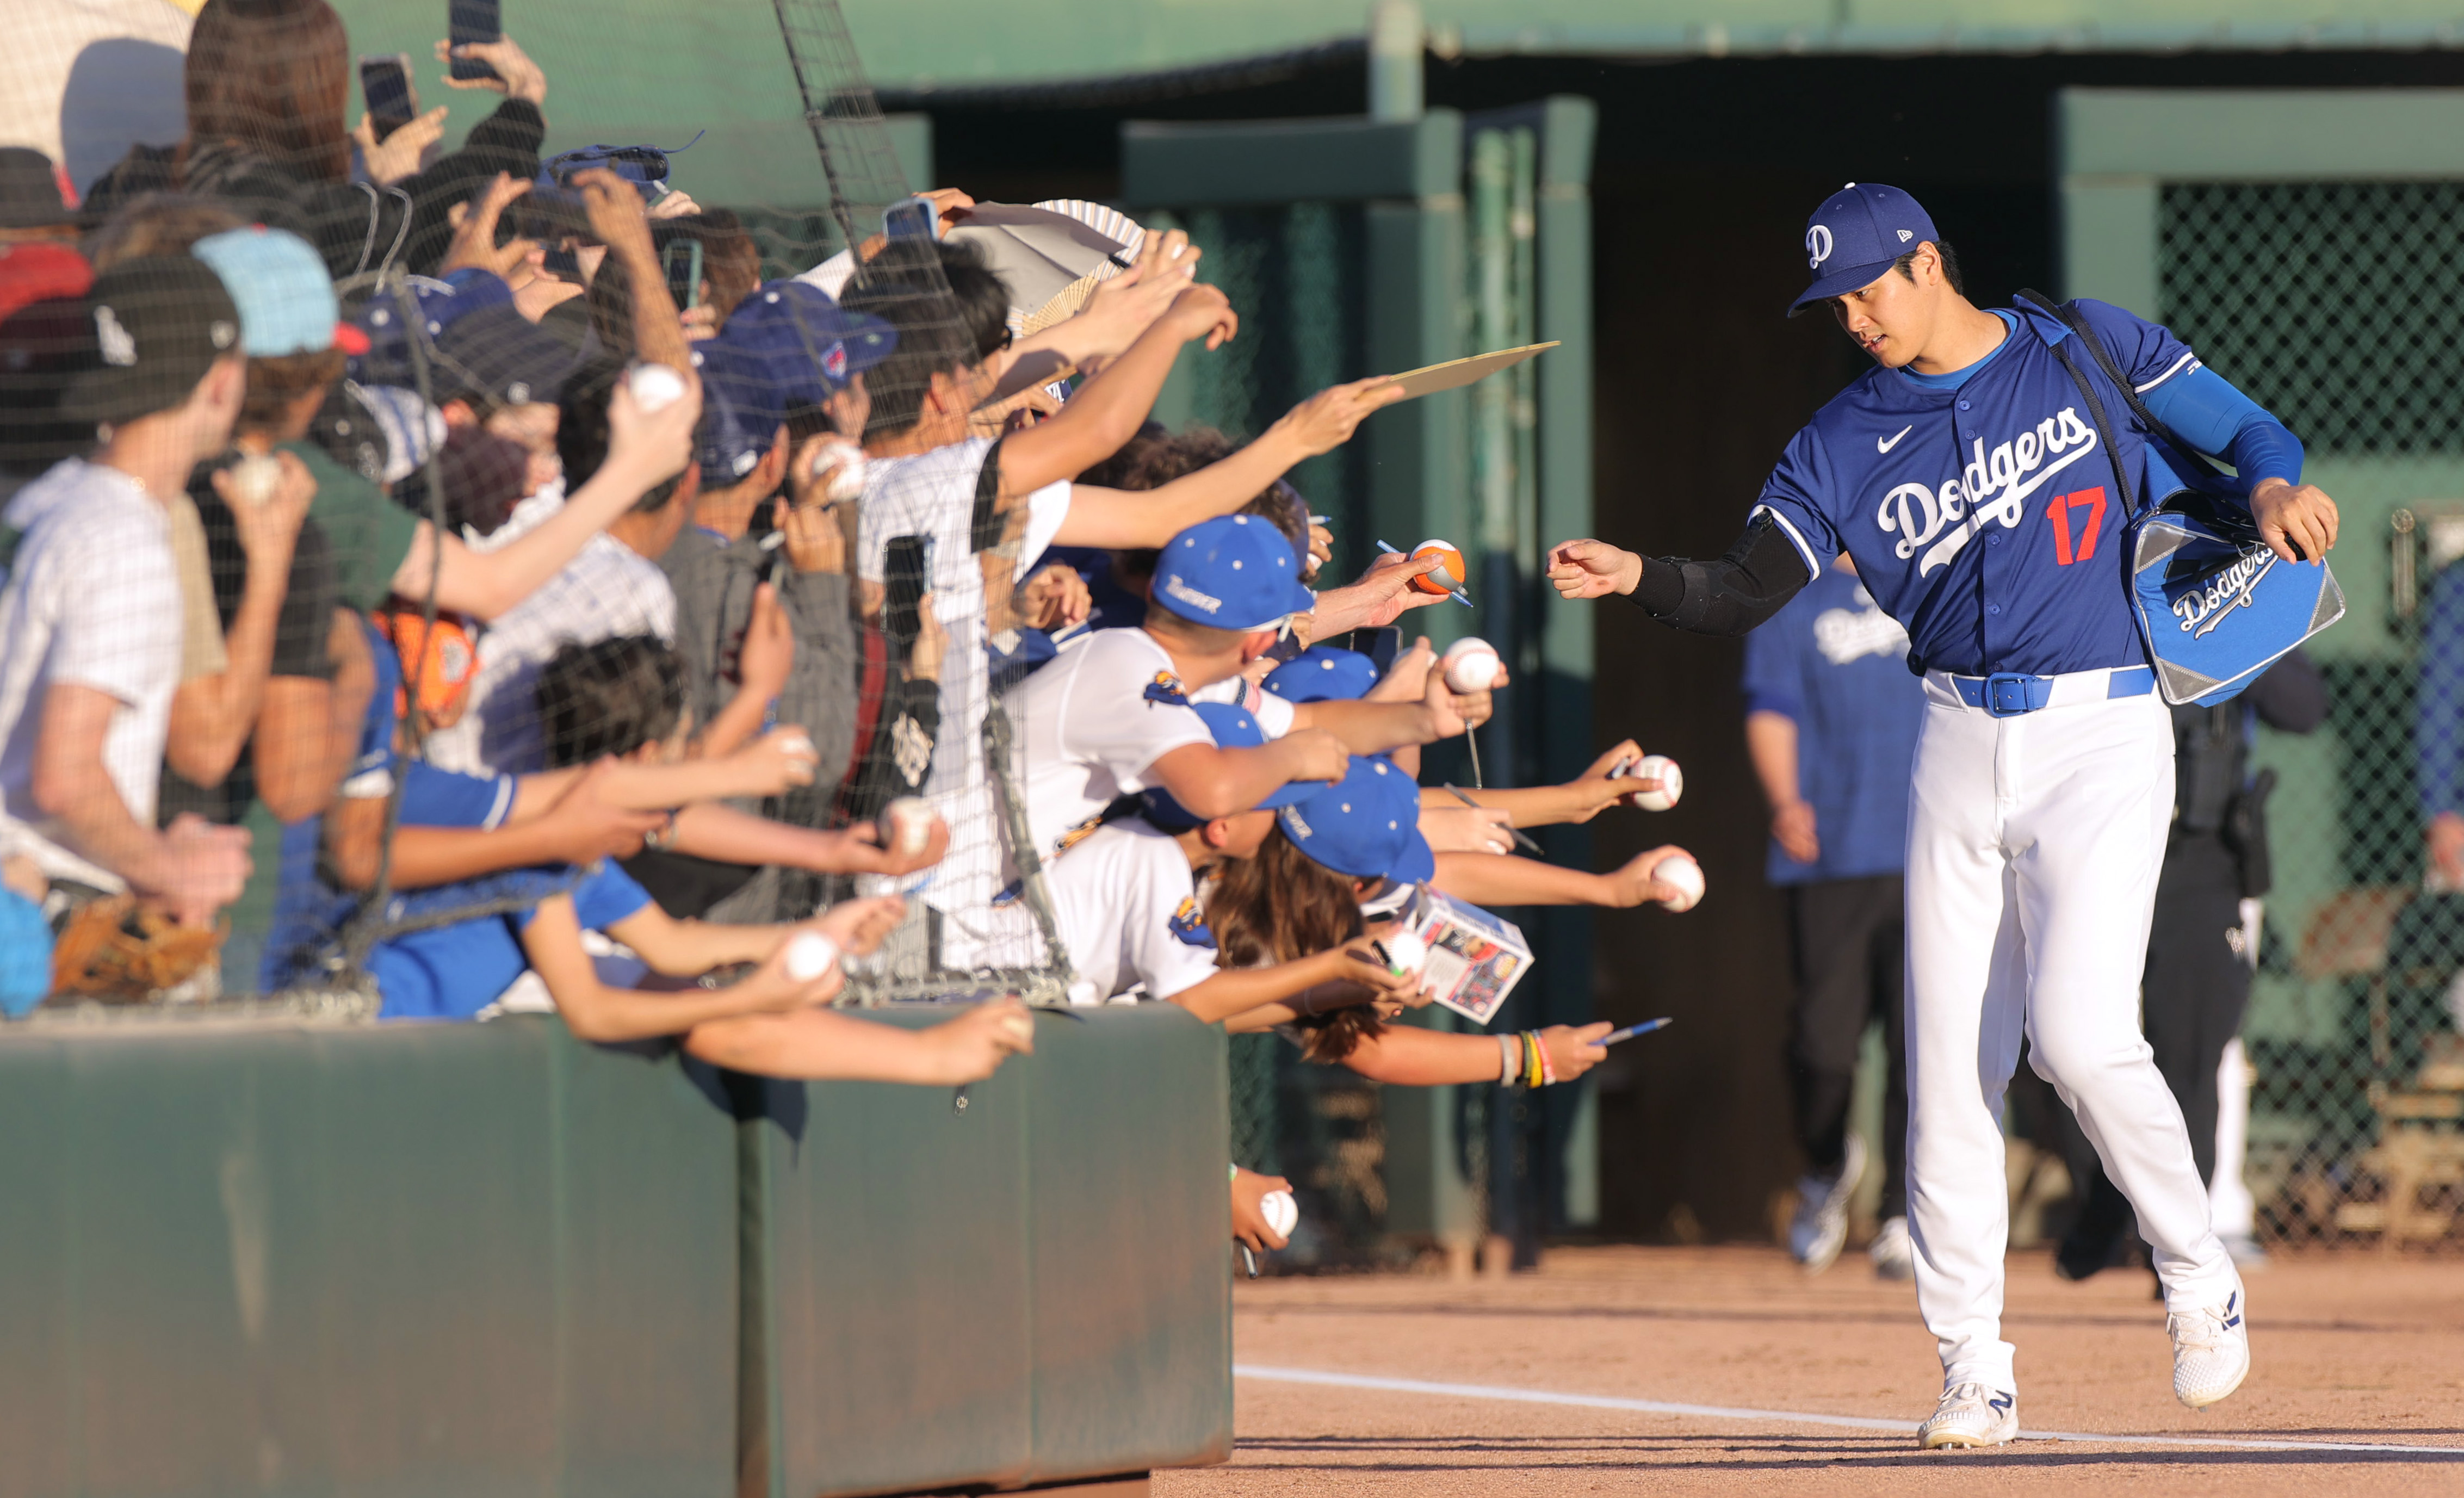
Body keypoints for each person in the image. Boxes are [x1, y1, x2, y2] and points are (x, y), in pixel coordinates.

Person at [1543, 182, 2340, 1445]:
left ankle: (2197, 1272)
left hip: (2105, 720)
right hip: (1957, 737)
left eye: (1866, 287)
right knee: (1947, 1072)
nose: (1850, 316)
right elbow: (1751, 584)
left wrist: (2273, 492)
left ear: (1924, 262)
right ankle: (1974, 1362)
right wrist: (1639, 572)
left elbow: (2246, 430)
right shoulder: (1836, 440)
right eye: (1833, 300)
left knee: (2078, 1035)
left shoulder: (2083, 342)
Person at [0, 256, 255, 924]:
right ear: (222, 383)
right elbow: (64, 780)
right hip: (43, 919)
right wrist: (173, 873)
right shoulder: (127, 540)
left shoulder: (44, 500)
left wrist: (148, 845)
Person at [2056, 649, 2324, 1280]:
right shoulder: (2094, 580)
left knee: (2192, 1055)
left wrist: (2220, 628)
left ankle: (2179, 1251)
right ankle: (2105, 1201)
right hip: (2098, 843)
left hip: (2200, 857)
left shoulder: (2227, 591)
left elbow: (2304, 708)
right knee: (2072, 1039)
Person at [1741, 553, 1927, 1280]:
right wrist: (1784, 800)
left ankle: (1902, 1213)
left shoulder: (1934, 580)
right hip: (1829, 855)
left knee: (1924, 1043)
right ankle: (1825, 1167)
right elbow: (1769, 705)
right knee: (1821, 1043)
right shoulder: (1793, 601)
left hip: (1932, 851)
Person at [81, 0, 550, 282]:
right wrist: (525, 97)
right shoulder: (295, 209)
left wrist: (390, 183)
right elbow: (454, 204)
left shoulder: (126, 181)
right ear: (313, 93)